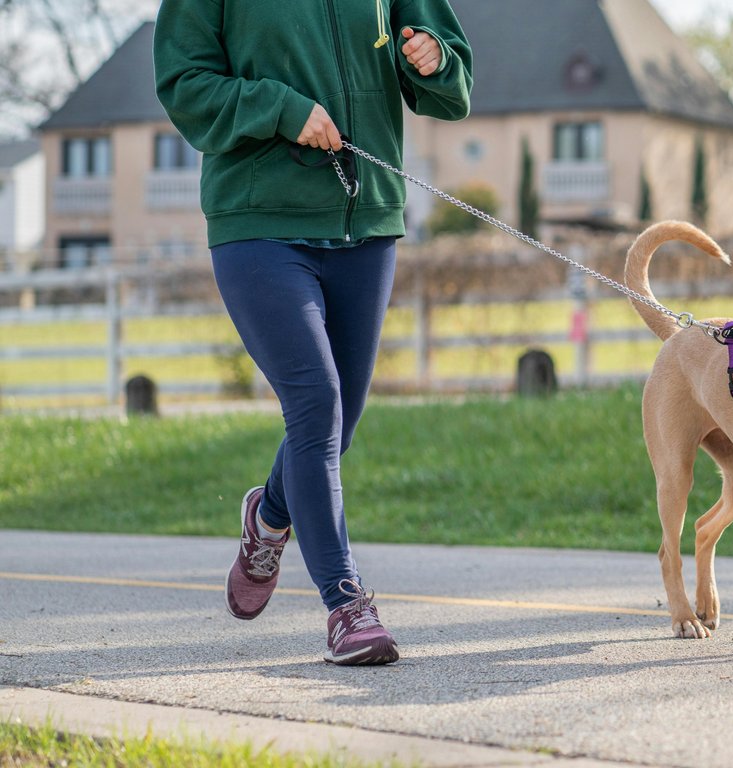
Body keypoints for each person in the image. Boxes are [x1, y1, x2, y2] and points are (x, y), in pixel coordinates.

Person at [153, 0, 473, 666]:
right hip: (258, 222)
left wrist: (436, 61)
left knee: (338, 423)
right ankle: (346, 604)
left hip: (368, 224)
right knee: (315, 402)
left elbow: (451, 82)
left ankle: (270, 516)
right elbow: (184, 82)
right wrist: (280, 108)